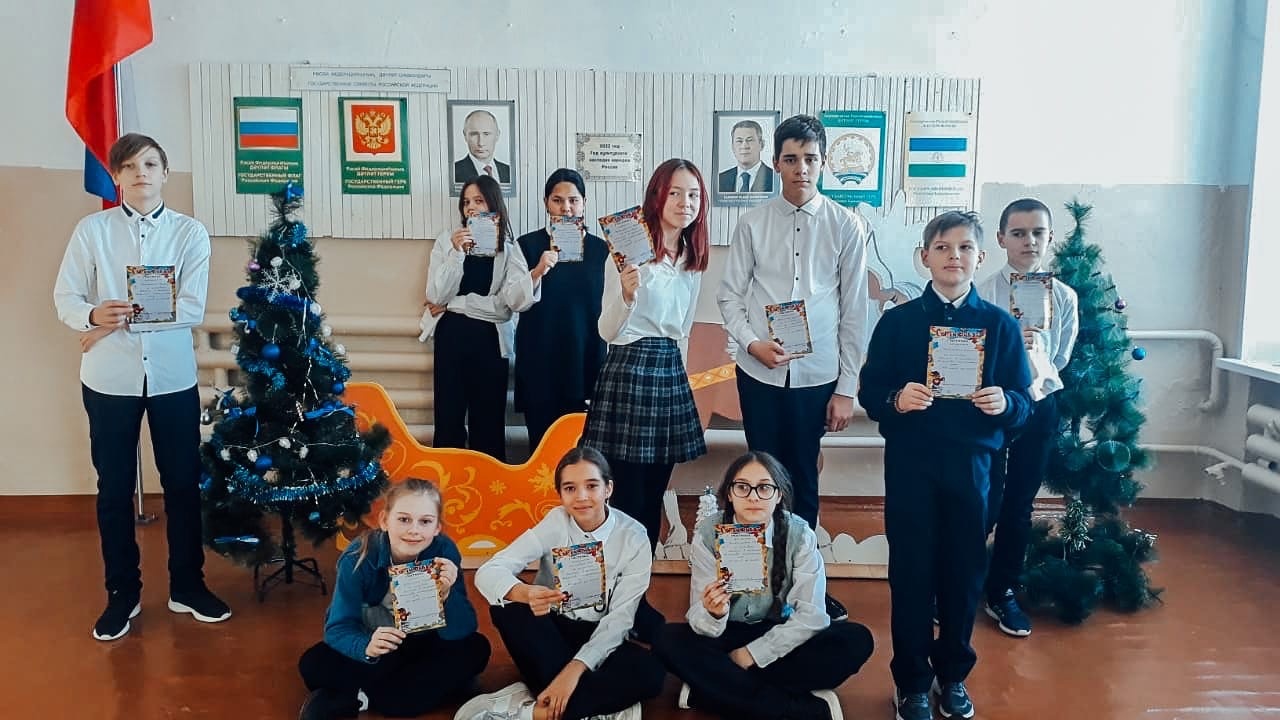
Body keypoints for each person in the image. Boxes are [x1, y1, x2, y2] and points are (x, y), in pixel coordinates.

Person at [53, 132, 231, 641]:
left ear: (165, 173)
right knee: (113, 488)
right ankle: (122, 594)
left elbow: (191, 307)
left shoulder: (189, 233)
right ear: (116, 176)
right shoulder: (93, 230)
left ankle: (187, 586)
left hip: (172, 378)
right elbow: (66, 296)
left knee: (182, 484)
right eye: (129, 166)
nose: (140, 174)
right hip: (110, 380)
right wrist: (93, 316)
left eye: (150, 164)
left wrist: (115, 322)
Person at [856, 210, 1032, 720]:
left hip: (974, 471)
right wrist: (895, 399)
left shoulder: (1000, 326)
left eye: (965, 248)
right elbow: (870, 392)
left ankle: (953, 676)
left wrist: (1006, 403)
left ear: (981, 256)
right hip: (912, 468)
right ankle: (912, 682)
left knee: (963, 574)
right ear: (924, 257)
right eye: (942, 247)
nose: (954, 256)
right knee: (911, 573)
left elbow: (1024, 404)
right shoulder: (898, 323)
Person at [717, 114, 870, 622]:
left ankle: (805, 587)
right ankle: (754, 583)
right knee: (759, 476)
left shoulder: (847, 226)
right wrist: (752, 344)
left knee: (803, 477)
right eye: (790, 159)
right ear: (776, 162)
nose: (801, 168)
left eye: (810, 158)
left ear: (822, 162)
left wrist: (846, 388)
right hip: (760, 371)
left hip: (817, 375)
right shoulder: (752, 223)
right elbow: (729, 296)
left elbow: (854, 311)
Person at [656, 451, 874, 720]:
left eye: (764, 488)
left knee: (856, 640)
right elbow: (699, 617)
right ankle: (793, 709)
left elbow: (812, 615)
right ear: (729, 494)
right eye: (742, 487)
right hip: (727, 635)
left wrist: (751, 655)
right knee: (666, 639)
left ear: (778, 495)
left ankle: (712, 691)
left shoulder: (800, 534)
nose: (753, 497)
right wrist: (714, 613)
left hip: (781, 633)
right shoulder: (708, 534)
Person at [459, 447, 665, 720]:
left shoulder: (634, 537)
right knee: (507, 608)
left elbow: (620, 619)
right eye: (570, 488)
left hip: (600, 632)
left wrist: (573, 670)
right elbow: (488, 571)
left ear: (608, 489)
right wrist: (525, 592)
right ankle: (593, 705)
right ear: (560, 494)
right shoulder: (556, 522)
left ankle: (535, 709)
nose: (581, 497)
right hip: (553, 628)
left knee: (652, 673)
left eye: (592, 486)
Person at [583, 158, 710, 553]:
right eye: (675, 193)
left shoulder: (691, 258)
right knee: (625, 491)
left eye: (694, 195)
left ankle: (645, 573)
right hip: (629, 368)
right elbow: (606, 330)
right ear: (657, 196)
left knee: (655, 490)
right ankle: (618, 575)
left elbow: (683, 330)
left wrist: (681, 382)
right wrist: (626, 294)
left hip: (668, 370)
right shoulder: (627, 251)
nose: (685, 203)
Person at [297, 478, 491, 720]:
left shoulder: (444, 551)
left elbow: (462, 630)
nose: (414, 530)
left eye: (425, 521)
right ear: (384, 520)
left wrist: (448, 594)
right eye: (404, 519)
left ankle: (360, 696)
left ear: (437, 528)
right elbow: (338, 627)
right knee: (313, 663)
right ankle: (426, 690)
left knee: (477, 647)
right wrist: (366, 647)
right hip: (379, 644)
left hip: (426, 641)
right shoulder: (358, 557)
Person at [976, 198, 1079, 637]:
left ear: (1049, 238)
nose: (1028, 241)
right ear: (1001, 239)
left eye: (1038, 233)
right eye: (1018, 233)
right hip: (991, 405)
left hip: (1038, 405)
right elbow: (973, 354)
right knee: (982, 499)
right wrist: (1008, 345)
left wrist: (1034, 360)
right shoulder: (982, 292)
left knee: (1019, 504)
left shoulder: (1064, 296)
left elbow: (1061, 355)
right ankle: (959, 585)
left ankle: (1002, 590)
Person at [423, 175, 548, 462]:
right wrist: (456, 254)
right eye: (466, 202)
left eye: (478, 200)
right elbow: (435, 295)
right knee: (448, 418)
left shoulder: (508, 249)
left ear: (493, 204)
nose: (471, 207)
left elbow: (505, 307)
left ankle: (488, 486)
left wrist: (455, 303)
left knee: (488, 422)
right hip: (451, 337)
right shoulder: (447, 241)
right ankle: (449, 483)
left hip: (490, 341)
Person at [513, 169, 608, 451]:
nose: (566, 208)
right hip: (540, 363)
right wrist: (537, 271)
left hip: (586, 361)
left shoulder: (603, 250)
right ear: (546, 203)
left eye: (573, 200)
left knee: (584, 452)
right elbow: (514, 301)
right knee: (541, 449)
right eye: (557, 200)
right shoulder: (527, 246)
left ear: (584, 203)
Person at [717, 119, 775, 193]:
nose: (744, 146)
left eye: (750, 140)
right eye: (739, 141)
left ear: (762, 145)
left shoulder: (775, 178)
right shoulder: (720, 179)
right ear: (732, 146)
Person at [454, 109, 512, 183]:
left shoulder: (509, 171)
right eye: (474, 134)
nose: (480, 143)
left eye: (486, 134)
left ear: (497, 135)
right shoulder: (454, 172)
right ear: (465, 136)